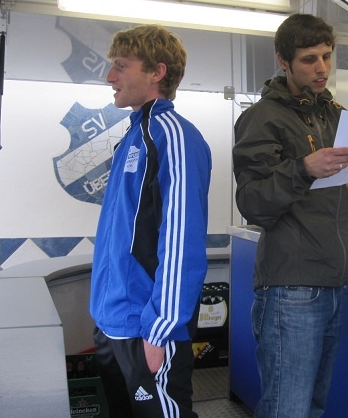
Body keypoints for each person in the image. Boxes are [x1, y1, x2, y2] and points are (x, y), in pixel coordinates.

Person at [232, 13, 348, 418]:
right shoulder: (263, 118)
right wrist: (304, 169)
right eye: (309, 59)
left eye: (326, 56)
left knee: (312, 407)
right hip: (290, 288)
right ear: (283, 61)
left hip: (333, 284)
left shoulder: (336, 116)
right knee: (287, 409)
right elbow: (253, 203)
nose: (321, 67)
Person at [90, 24, 212, 418]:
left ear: (157, 72)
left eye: (121, 66)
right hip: (113, 321)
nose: (110, 76)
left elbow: (181, 240)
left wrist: (160, 329)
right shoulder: (132, 137)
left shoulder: (173, 136)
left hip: (147, 327)